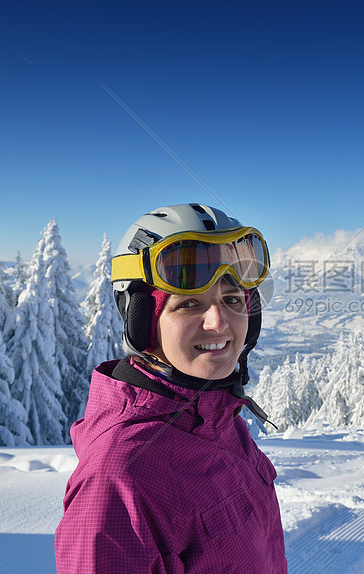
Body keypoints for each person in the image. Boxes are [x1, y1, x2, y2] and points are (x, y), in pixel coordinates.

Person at [55, 203, 287, 573]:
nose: (219, 322)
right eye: (189, 304)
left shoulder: (221, 421)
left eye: (231, 300)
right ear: (144, 323)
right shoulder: (119, 477)